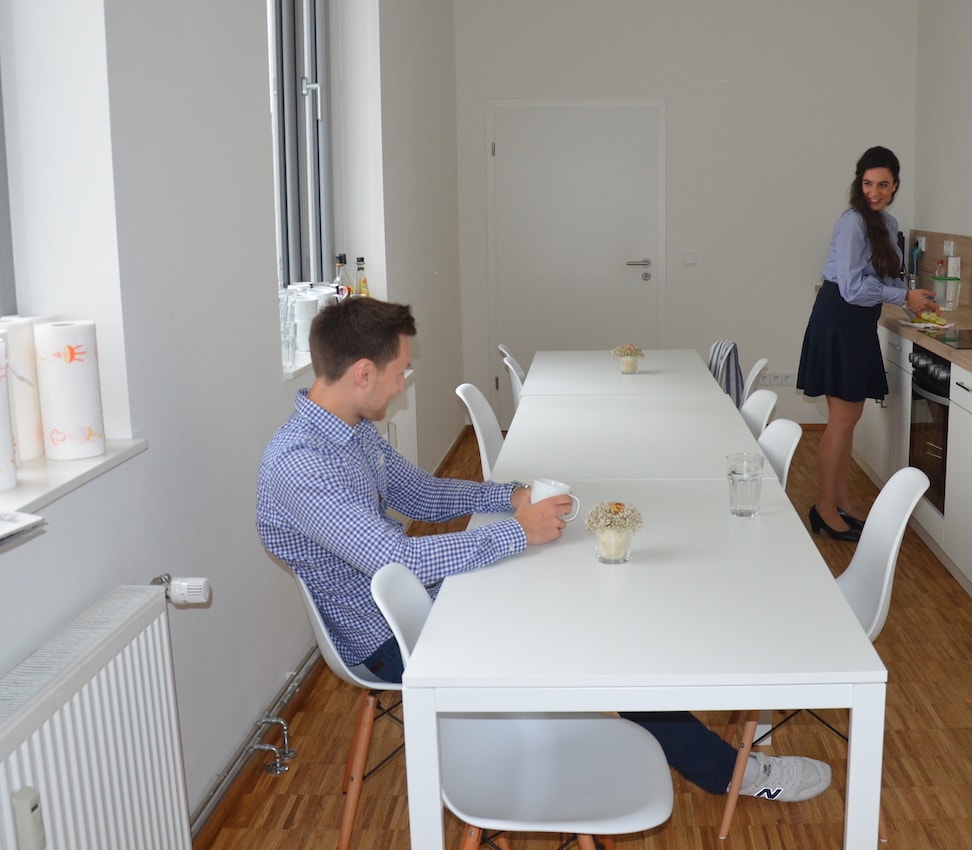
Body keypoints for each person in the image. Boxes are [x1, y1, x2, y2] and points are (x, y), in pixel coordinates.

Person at [258, 296, 831, 806]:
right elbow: (397, 561)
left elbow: (421, 493)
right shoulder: (301, 465)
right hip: (394, 639)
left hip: (424, 601)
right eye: (400, 373)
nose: (403, 385)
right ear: (362, 373)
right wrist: (518, 531)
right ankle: (729, 772)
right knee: (600, 644)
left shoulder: (349, 427)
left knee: (587, 603)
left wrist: (512, 496)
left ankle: (706, 715)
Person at [796, 146, 938, 541]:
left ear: (895, 187)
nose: (875, 191)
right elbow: (853, 286)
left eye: (883, 184)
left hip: (858, 324)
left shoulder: (887, 223)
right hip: (839, 320)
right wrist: (902, 299)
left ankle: (839, 499)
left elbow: (889, 279)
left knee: (850, 419)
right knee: (841, 421)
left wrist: (917, 306)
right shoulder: (852, 223)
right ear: (859, 184)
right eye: (868, 184)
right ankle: (824, 507)